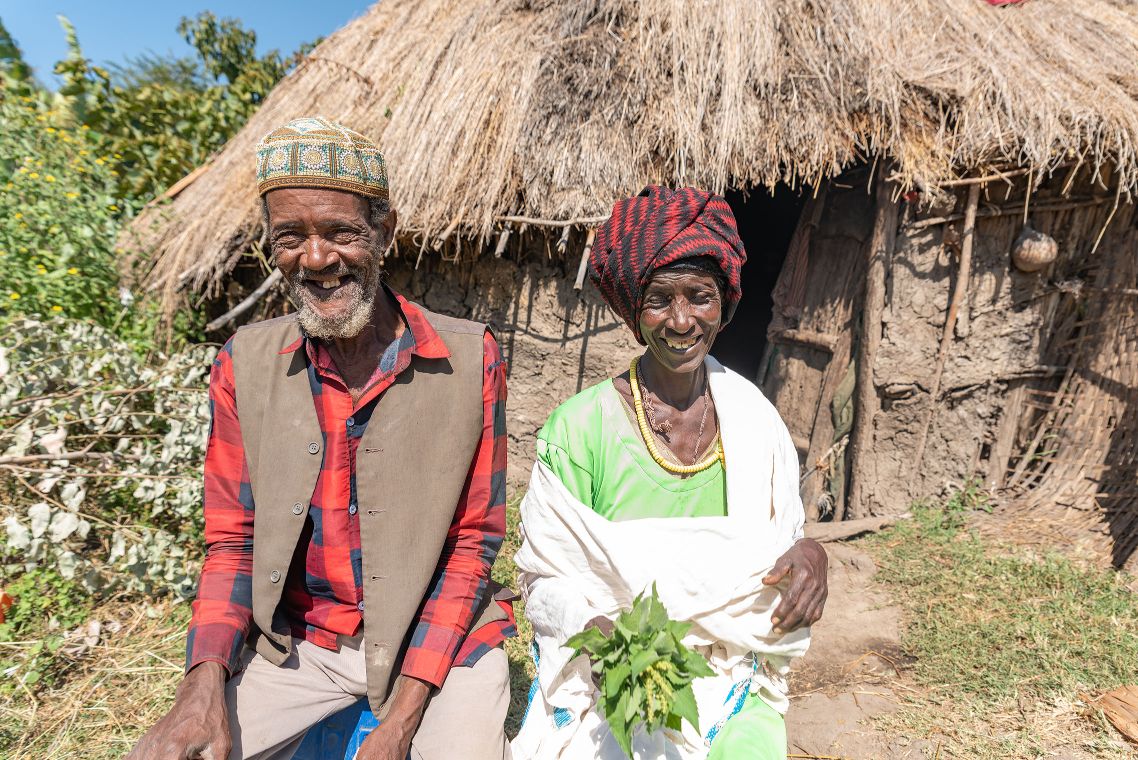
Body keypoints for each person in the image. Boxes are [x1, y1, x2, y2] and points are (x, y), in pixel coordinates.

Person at [129, 117, 515, 760]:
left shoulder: (470, 358)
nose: (315, 259)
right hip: (304, 642)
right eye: (291, 237)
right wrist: (199, 690)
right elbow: (234, 543)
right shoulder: (244, 363)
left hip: (437, 648)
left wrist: (399, 727)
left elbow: (472, 547)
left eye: (341, 232)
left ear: (384, 232)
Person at [511, 186, 828, 759]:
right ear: (635, 311)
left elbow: (781, 548)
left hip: (730, 672)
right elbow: (544, 580)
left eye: (700, 297)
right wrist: (599, 634)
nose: (682, 321)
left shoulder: (755, 422)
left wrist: (811, 554)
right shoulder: (580, 429)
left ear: (724, 304)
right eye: (659, 300)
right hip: (614, 680)